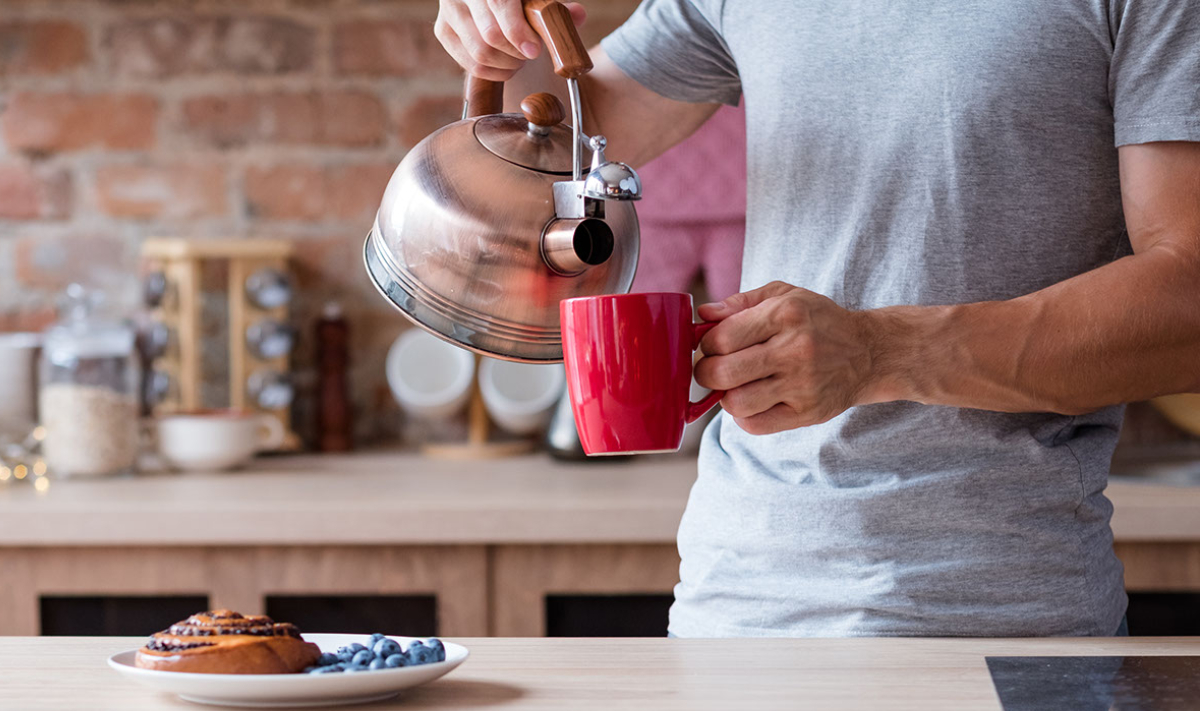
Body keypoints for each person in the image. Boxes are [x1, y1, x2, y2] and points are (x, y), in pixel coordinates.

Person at [435, 0, 1200, 637]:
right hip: (737, 609)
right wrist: (504, 44)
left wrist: (880, 351)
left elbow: (1189, 300)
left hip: (1005, 618)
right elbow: (560, 150)